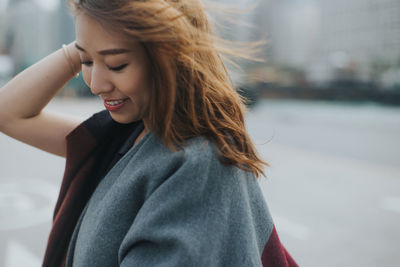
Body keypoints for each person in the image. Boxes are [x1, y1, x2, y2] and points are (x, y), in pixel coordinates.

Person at [0, 0, 298, 266]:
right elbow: (9, 113)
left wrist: (92, 46)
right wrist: (82, 46)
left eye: (117, 64)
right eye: (88, 62)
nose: (95, 84)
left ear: (170, 58)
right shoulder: (126, 134)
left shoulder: (197, 164)